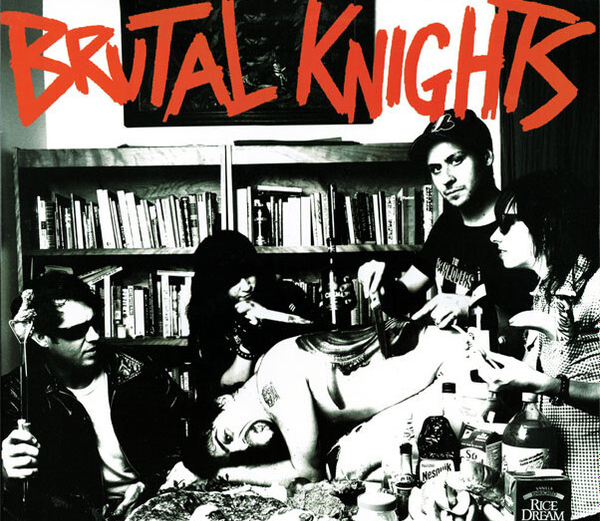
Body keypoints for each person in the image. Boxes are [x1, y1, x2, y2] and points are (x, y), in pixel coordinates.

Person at [1, 272, 198, 521]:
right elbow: (21, 503)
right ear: (40, 337)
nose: (93, 337)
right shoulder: (15, 396)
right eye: (76, 331)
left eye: (94, 324)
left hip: (150, 511)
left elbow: (188, 437)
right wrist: (5, 473)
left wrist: (150, 484)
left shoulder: (139, 373)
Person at [190, 318, 466, 487]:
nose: (242, 445)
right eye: (237, 453)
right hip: (454, 361)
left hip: (460, 370)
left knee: (343, 467)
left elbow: (310, 476)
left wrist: (225, 474)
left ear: (222, 401)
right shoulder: (266, 369)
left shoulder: (274, 383)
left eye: (226, 437)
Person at [475, 171, 599, 521]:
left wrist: (547, 384)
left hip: (593, 501)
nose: (495, 236)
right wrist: (502, 386)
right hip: (551, 497)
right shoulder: (544, 292)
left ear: (545, 225)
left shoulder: (596, 288)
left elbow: (553, 383)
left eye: (507, 224)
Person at [358, 109, 536, 357]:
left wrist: (472, 309)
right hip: (452, 365)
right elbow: (402, 298)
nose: (446, 179)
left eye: (456, 160)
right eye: (436, 169)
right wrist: (381, 279)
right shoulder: (448, 223)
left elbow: (537, 330)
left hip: (506, 372)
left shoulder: (519, 223)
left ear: (486, 157)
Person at [188, 230, 354, 396]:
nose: (246, 286)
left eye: (248, 274)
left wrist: (340, 309)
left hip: (305, 391)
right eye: (233, 281)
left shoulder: (286, 293)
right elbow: (223, 389)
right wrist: (249, 343)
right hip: (248, 401)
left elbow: (325, 344)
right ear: (215, 285)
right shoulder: (206, 318)